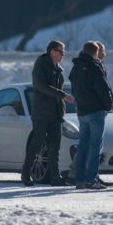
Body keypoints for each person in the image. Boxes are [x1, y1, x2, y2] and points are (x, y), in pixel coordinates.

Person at [21, 40, 75, 187]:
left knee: (54, 147)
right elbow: (41, 86)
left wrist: (61, 102)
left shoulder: (59, 69)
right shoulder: (41, 64)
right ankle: (25, 174)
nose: (63, 54)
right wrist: (62, 95)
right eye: (61, 51)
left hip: (56, 114)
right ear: (52, 51)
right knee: (36, 144)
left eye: (64, 51)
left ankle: (55, 177)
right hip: (42, 113)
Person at [69, 41, 113, 190]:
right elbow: (103, 89)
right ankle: (91, 179)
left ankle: (80, 179)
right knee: (95, 147)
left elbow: (73, 88)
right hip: (95, 111)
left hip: (82, 112)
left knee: (83, 146)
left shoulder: (76, 67)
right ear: (95, 52)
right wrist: (108, 105)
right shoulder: (94, 67)